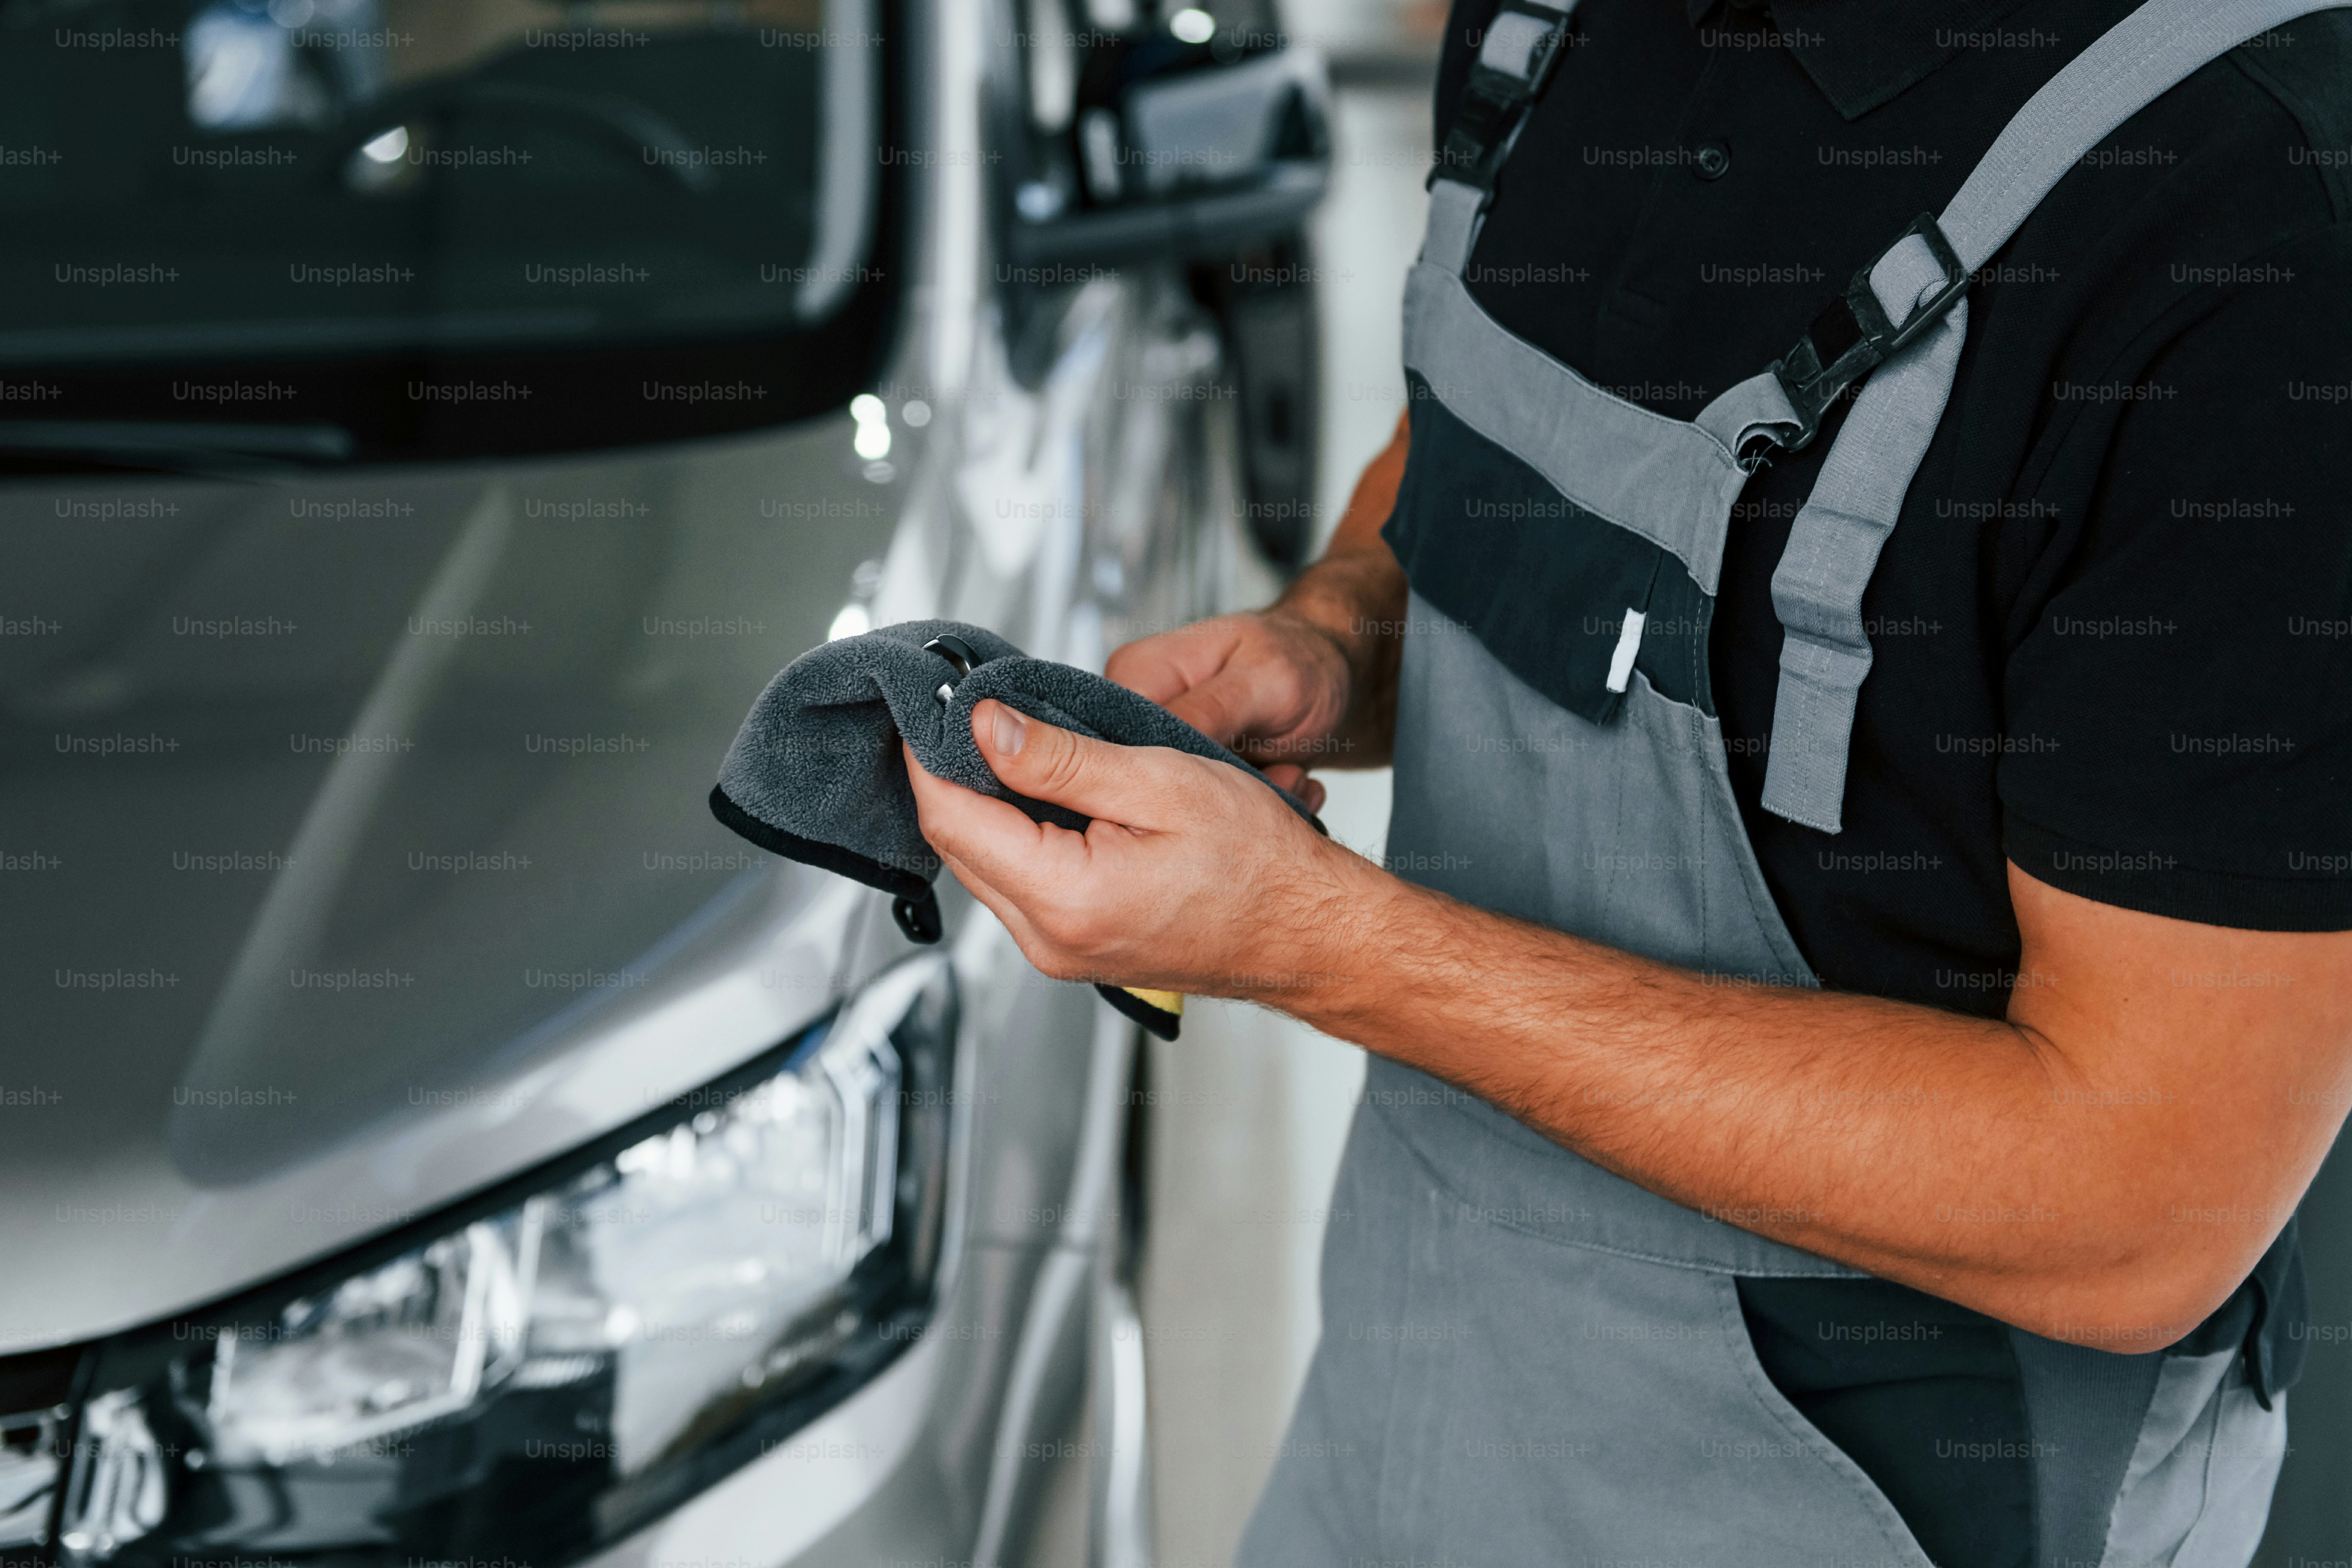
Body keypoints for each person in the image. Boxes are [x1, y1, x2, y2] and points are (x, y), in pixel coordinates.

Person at [905, 0, 2352, 1561]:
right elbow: (1478, 404)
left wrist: (1317, 945)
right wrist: (1337, 631)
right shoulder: (1557, 25)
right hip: (1400, 1425)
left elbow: (2142, 1204)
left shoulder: (2251, 231)